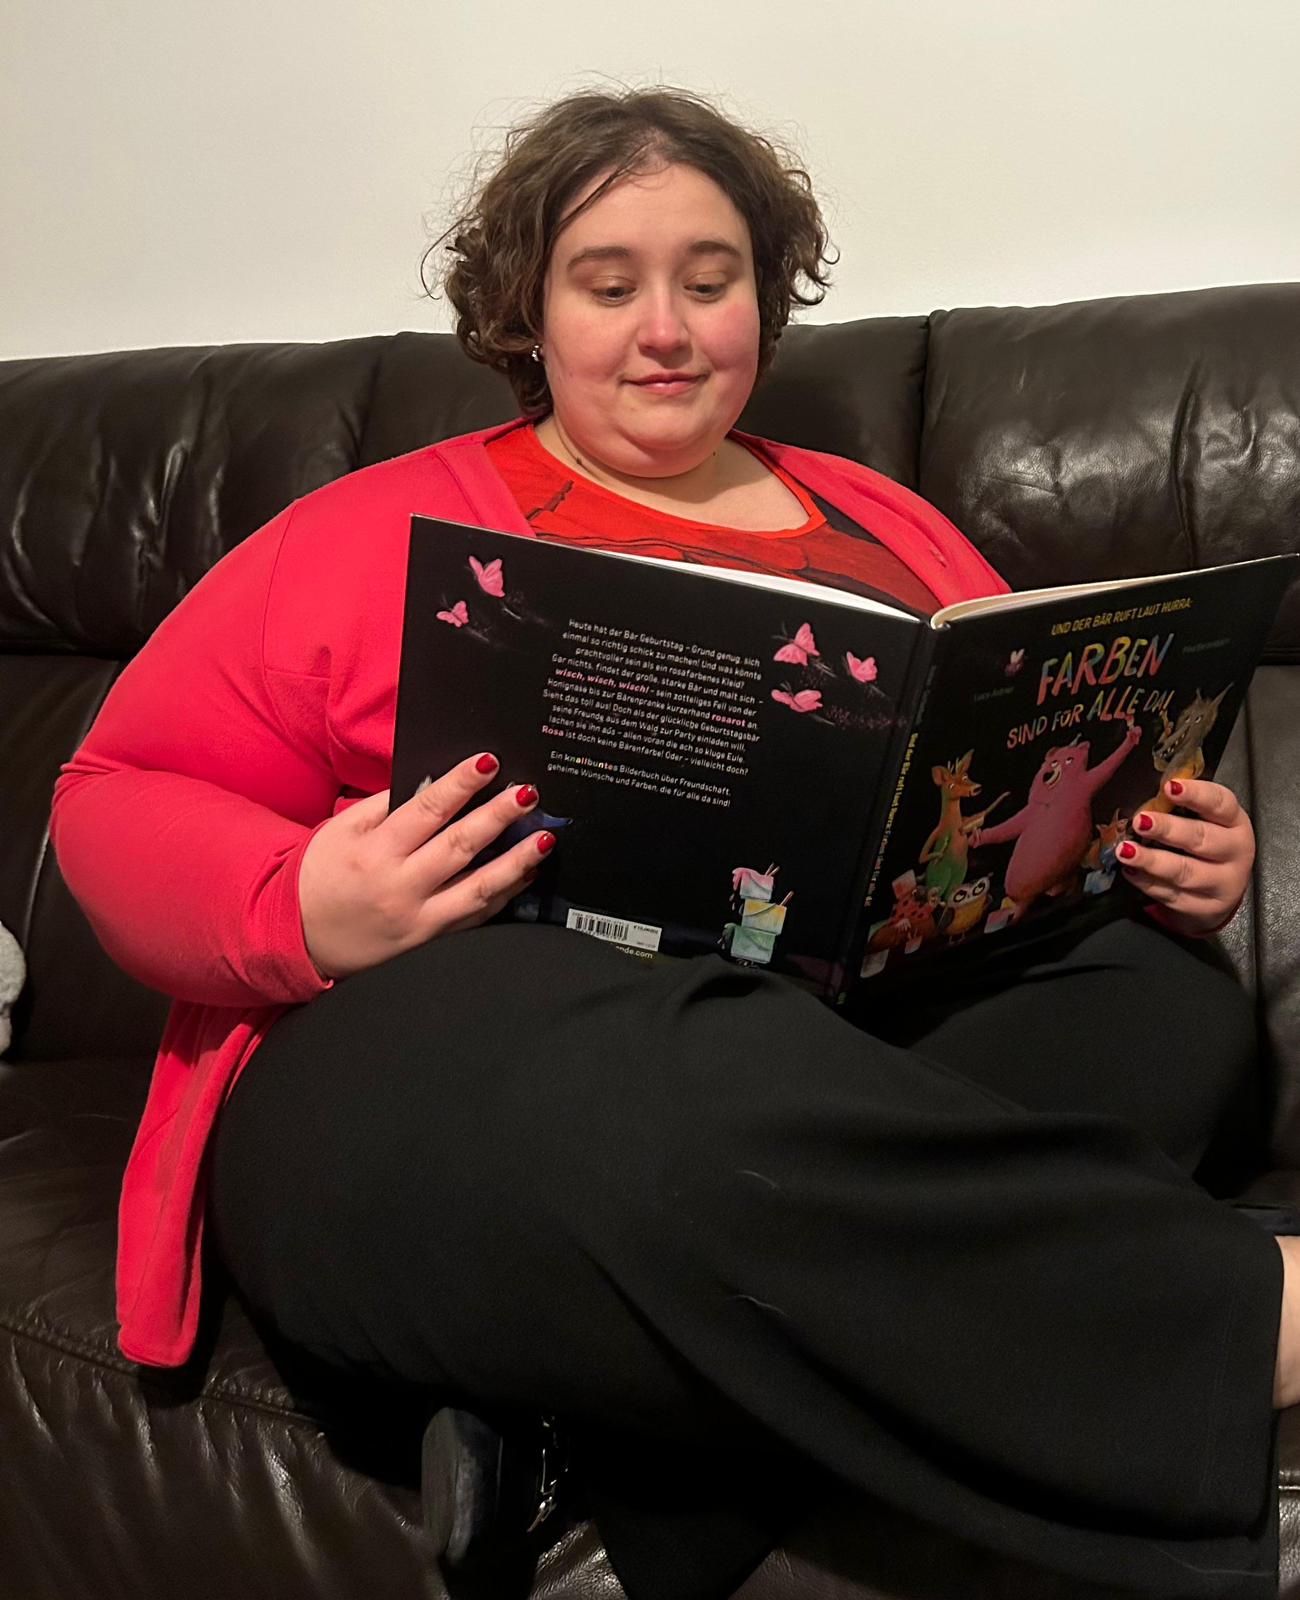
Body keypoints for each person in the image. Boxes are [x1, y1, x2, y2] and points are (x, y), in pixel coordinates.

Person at [48, 86, 1298, 1600]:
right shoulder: (369, 530)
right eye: (608, 284)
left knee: (1163, 1009)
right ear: (528, 313)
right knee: (677, 1089)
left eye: (712, 282)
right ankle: (1252, 1325)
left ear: (766, 299)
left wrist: (1162, 859)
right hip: (461, 1058)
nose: (667, 331)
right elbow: (115, 787)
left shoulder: (889, 527)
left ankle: (607, 1438)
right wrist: (300, 902)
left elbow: (1001, 784)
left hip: (823, 1059)